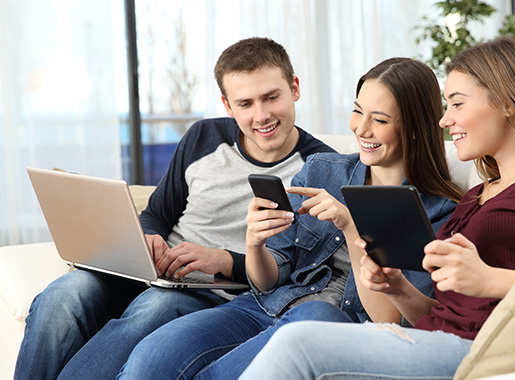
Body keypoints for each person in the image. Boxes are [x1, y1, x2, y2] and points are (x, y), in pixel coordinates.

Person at [237, 36, 515, 380]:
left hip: (489, 348)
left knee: (301, 342)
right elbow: (437, 317)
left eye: (456, 104)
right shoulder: (476, 196)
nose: (444, 119)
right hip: (433, 340)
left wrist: (489, 279)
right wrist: (399, 288)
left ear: (507, 102)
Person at [116, 57, 462, 379]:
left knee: (318, 316)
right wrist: (255, 243)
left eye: (381, 120)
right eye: (358, 112)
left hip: (332, 324)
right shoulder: (322, 171)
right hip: (264, 306)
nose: (362, 129)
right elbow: (268, 280)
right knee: (152, 358)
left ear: (414, 129)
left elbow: (387, 319)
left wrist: (351, 225)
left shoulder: (439, 212)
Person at [14, 37, 334, 380]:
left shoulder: (321, 168)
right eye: (246, 103)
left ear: (295, 88)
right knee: (61, 295)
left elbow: (296, 271)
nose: (262, 115)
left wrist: (222, 260)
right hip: (157, 271)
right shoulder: (203, 137)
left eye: (272, 97)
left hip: (215, 292)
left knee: (152, 309)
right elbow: (157, 213)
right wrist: (148, 237)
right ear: (227, 105)